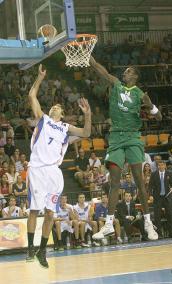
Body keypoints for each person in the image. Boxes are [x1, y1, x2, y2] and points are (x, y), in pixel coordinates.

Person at [90, 56, 162, 241]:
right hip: (116, 138)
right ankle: (108, 225)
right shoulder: (116, 84)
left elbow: (159, 117)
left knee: (139, 181)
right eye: (125, 70)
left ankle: (147, 222)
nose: (125, 72)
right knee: (114, 183)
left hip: (132, 137)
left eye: (129, 71)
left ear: (135, 76)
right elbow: (101, 70)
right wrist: (87, 55)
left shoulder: (140, 94)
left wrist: (151, 107)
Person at [26, 65, 91, 268]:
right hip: (37, 169)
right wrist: (39, 77)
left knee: (50, 214)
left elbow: (86, 133)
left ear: (62, 114)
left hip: (54, 172)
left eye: (59, 107)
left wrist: (87, 114)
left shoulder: (65, 128)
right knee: (34, 211)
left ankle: (42, 251)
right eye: (53, 106)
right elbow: (32, 95)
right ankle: (30, 247)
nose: (55, 106)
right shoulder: (42, 119)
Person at [149, 160, 172, 238]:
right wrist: (150, 195)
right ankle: (159, 234)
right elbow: (150, 186)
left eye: (162, 165)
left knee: (170, 215)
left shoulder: (169, 173)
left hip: (167, 197)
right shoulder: (154, 174)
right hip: (157, 197)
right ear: (158, 166)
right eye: (159, 165)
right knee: (157, 216)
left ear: (165, 166)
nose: (161, 166)